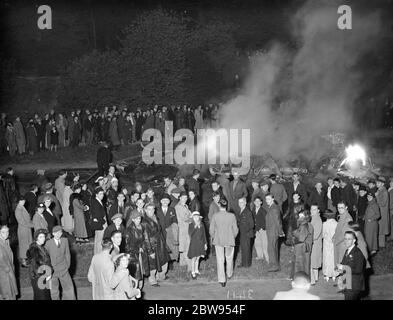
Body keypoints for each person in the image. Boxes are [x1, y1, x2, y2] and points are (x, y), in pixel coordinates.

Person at [209, 199, 239, 287]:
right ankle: (229, 274)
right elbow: (236, 230)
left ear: (219, 205)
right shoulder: (232, 216)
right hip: (229, 240)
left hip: (218, 241)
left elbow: (211, 230)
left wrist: (215, 236)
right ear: (227, 206)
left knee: (220, 259)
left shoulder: (215, 216)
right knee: (229, 258)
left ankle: (222, 280)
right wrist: (232, 236)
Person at [45, 226, 76, 300]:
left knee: (69, 289)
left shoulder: (65, 240)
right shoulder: (48, 243)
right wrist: (48, 270)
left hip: (63, 269)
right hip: (53, 270)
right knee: (54, 290)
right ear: (53, 234)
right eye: (56, 233)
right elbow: (46, 257)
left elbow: (67, 254)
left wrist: (67, 266)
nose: (58, 234)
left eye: (60, 232)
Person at [143, 203, 170, 286]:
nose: (152, 211)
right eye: (149, 209)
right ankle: (152, 279)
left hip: (160, 243)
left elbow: (160, 231)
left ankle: (161, 277)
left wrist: (164, 244)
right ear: (145, 210)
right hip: (152, 244)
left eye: (153, 209)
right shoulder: (144, 221)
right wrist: (150, 251)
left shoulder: (155, 218)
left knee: (163, 260)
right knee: (153, 263)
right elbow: (146, 237)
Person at [124, 210, 151, 289]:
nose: (138, 220)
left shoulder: (142, 227)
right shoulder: (129, 230)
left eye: (139, 218)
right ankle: (135, 290)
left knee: (141, 271)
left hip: (141, 253)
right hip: (133, 254)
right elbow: (127, 245)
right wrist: (137, 249)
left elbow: (145, 239)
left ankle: (140, 288)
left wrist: (144, 247)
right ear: (132, 219)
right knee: (136, 272)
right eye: (136, 219)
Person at [337, 231, 366, 300]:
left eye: (349, 239)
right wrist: (339, 267)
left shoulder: (358, 253)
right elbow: (344, 262)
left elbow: (358, 270)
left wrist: (343, 267)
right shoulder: (348, 250)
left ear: (354, 241)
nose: (346, 241)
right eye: (345, 239)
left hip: (354, 285)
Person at [26, 229, 52, 300]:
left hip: (44, 276)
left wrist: (49, 273)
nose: (43, 238)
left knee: (46, 296)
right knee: (41, 296)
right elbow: (35, 266)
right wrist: (46, 275)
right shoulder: (33, 249)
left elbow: (48, 262)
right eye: (40, 237)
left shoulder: (42, 248)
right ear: (36, 238)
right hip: (38, 277)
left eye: (43, 236)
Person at [156, 193, 179, 263]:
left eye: (167, 200)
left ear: (169, 202)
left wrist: (171, 228)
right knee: (162, 247)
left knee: (170, 247)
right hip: (160, 232)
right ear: (161, 201)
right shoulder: (157, 210)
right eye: (163, 200)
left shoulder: (172, 210)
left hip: (169, 232)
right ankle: (163, 262)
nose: (165, 202)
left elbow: (175, 220)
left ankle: (170, 262)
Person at [290, 211, 313, 280]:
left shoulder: (304, 226)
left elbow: (301, 238)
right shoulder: (306, 224)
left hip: (302, 248)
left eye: (301, 216)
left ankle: (300, 280)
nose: (299, 218)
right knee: (304, 265)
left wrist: (294, 233)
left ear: (305, 217)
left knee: (300, 265)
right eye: (299, 216)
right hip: (304, 248)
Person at [265, 193, 285, 272]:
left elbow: (277, 221)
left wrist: (280, 232)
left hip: (272, 231)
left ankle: (273, 266)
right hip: (272, 231)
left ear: (273, 199)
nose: (267, 201)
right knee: (274, 248)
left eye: (269, 199)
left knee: (271, 248)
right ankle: (275, 265)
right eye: (266, 199)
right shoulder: (272, 207)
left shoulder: (273, 208)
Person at [175, 191, 192, 271]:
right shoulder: (178, 207)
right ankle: (190, 267)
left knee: (185, 247)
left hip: (186, 228)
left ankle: (182, 264)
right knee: (186, 247)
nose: (185, 199)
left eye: (186, 197)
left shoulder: (185, 205)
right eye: (183, 197)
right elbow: (185, 218)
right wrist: (193, 218)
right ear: (179, 198)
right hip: (182, 229)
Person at [0, 225, 18, 300]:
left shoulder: (6, 241)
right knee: (8, 294)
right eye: (3, 232)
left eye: (7, 231)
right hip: (4, 273)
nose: (6, 234)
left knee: (10, 293)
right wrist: (7, 269)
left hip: (9, 270)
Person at [15, 196, 34, 267]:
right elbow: (22, 222)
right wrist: (32, 225)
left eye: (24, 201)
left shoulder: (22, 207)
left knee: (28, 245)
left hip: (26, 229)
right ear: (19, 201)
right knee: (23, 245)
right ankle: (23, 262)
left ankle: (27, 259)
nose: (24, 202)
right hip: (23, 229)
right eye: (22, 201)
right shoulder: (18, 210)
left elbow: (27, 219)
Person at [333, 201, 353, 267]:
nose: (339, 209)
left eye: (342, 208)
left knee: (342, 264)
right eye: (338, 208)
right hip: (339, 243)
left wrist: (335, 241)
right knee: (339, 263)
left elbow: (344, 234)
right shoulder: (342, 216)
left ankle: (342, 277)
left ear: (346, 207)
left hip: (343, 245)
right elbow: (338, 230)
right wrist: (334, 236)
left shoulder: (347, 219)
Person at [188, 211, 207, 279]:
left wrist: (205, 243)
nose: (196, 218)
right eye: (194, 217)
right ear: (192, 218)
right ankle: (192, 271)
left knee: (198, 257)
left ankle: (196, 270)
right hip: (194, 243)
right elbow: (190, 234)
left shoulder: (202, 224)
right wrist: (195, 226)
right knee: (194, 257)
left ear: (199, 217)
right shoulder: (191, 225)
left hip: (200, 243)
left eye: (197, 217)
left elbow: (204, 235)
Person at [237, 197, 254, 268]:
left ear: (245, 203)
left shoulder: (247, 212)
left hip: (246, 234)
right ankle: (243, 262)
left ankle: (247, 264)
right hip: (242, 233)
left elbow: (252, 224)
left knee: (246, 248)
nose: (240, 204)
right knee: (243, 248)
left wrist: (244, 230)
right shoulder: (241, 211)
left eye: (241, 202)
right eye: (239, 202)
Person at [90, 188, 108, 254]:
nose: (102, 195)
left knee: (98, 239)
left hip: (101, 222)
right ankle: (98, 254)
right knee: (100, 240)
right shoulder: (95, 202)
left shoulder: (98, 201)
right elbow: (97, 215)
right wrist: (103, 223)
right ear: (96, 194)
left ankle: (97, 253)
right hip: (100, 223)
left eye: (103, 193)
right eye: (100, 194)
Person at [253, 196, 268, 262]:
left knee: (264, 244)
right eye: (256, 201)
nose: (257, 202)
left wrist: (263, 228)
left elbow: (266, 220)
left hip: (262, 230)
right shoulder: (253, 210)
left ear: (261, 202)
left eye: (258, 201)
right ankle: (260, 256)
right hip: (256, 230)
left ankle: (268, 258)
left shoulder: (263, 211)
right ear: (254, 202)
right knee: (257, 243)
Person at [310, 204, 323, 285]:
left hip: (315, 244)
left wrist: (307, 238)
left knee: (312, 261)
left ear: (318, 211)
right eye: (311, 209)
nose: (312, 211)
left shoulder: (317, 220)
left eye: (314, 209)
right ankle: (316, 277)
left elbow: (316, 234)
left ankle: (312, 280)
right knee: (314, 261)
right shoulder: (314, 218)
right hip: (315, 243)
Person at [375, 177, 390, 249]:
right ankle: (380, 244)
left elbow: (383, 203)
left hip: (382, 213)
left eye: (378, 183)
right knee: (380, 228)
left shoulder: (384, 191)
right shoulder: (380, 190)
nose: (376, 184)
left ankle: (381, 245)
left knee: (381, 229)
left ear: (382, 184)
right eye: (376, 182)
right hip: (380, 212)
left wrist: (377, 196)